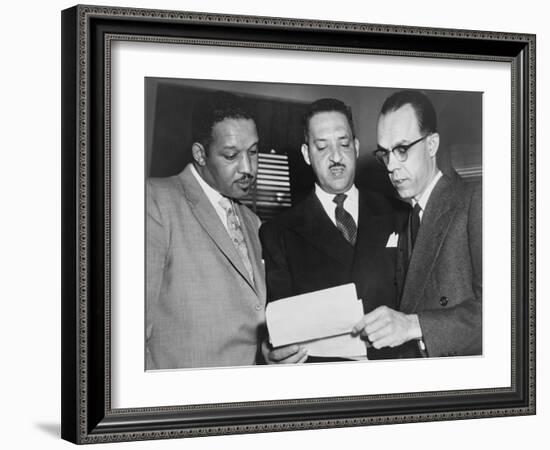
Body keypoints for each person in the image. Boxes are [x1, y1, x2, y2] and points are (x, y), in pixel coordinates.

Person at [259, 98, 408, 363]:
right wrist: (273, 354)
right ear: (306, 154)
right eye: (322, 147)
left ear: (357, 146)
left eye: (343, 143)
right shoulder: (277, 233)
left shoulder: (400, 215)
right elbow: (280, 327)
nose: (336, 157)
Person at [352, 89, 482, 358]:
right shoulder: (407, 215)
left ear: (432, 144)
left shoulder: (474, 201)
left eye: (401, 149)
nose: (390, 166)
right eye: (385, 153)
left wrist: (414, 325)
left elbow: (509, 314)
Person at [146, 93, 266, 369]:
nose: (248, 168)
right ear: (200, 154)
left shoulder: (252, 221)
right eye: (231, 155)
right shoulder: (154, 200)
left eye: (253, 152)